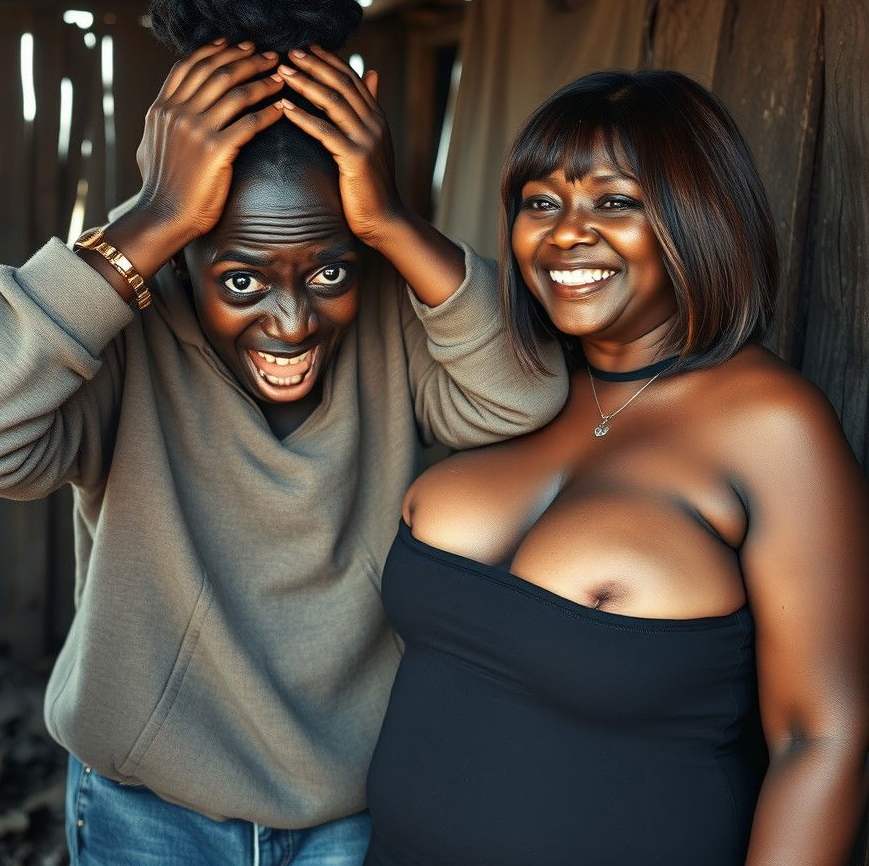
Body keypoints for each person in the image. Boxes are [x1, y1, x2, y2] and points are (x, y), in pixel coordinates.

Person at [0, 0, 567, 866]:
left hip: (356, 801)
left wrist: (388, 223)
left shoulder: (393, 310)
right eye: (242, 276)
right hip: (146, 808)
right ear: (177, 257)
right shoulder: (125, 321)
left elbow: (528, 395)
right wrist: (150, 220)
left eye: (329, 269)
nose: (291, 322)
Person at [363, 70, 869, 866]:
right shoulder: (518, 389)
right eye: (541, 203)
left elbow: (821, 739)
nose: (567, 232)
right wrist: (383, 217)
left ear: (698, 215)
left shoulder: (772, 426)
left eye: (614, 201)